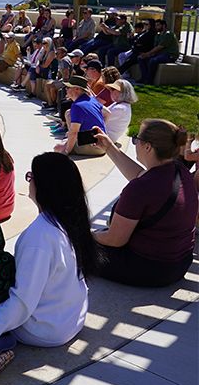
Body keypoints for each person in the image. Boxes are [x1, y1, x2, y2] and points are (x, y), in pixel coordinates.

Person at [0, 152, 97, 347]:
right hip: (70, 318)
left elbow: (21, 303)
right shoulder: (69, 219)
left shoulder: (39, 237)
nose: (29, 182)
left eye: (31, 177)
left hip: (43, 330)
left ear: (44, 187)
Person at [92, 119, 198, 287]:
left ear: (148, 146)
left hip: (150, 269)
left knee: (75, 246)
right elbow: (141, 175)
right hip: (180, 263)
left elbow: (115, 240)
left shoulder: (140, 188)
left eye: (136, 139)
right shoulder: (180, 172)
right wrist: (110, 148)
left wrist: (86, 235)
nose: (135, 143)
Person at [53, 76, 106, 157]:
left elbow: (74, 132)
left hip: (93, 146)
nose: (66, 89)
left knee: (57, 148)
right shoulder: (92, 99)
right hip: (102, 143)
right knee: (68, 113)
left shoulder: (77, 106)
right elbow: (108, 114)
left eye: (68, 87)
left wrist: (66, 151)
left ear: (77, 89)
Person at [137, 19, 180, 84]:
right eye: (155, 25)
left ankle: (149, 81)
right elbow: (155, 48)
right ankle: (144, 77)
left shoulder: (168, 34)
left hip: (170, 55)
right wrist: (147, 55)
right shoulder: (158, 35)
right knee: (141, 58)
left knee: (153, 60)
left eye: (158, 25)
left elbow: (159, 47)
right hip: (160, 54)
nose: (156, 27)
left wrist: (147, 54)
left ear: (164, 26)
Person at [101, 79, 137, 144]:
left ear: (122, 93)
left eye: (113, 89)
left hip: (105, 139)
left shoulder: (120, 108)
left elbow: (99, 117)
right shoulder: (119, 104)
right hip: (104, 136)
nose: (111, 91)